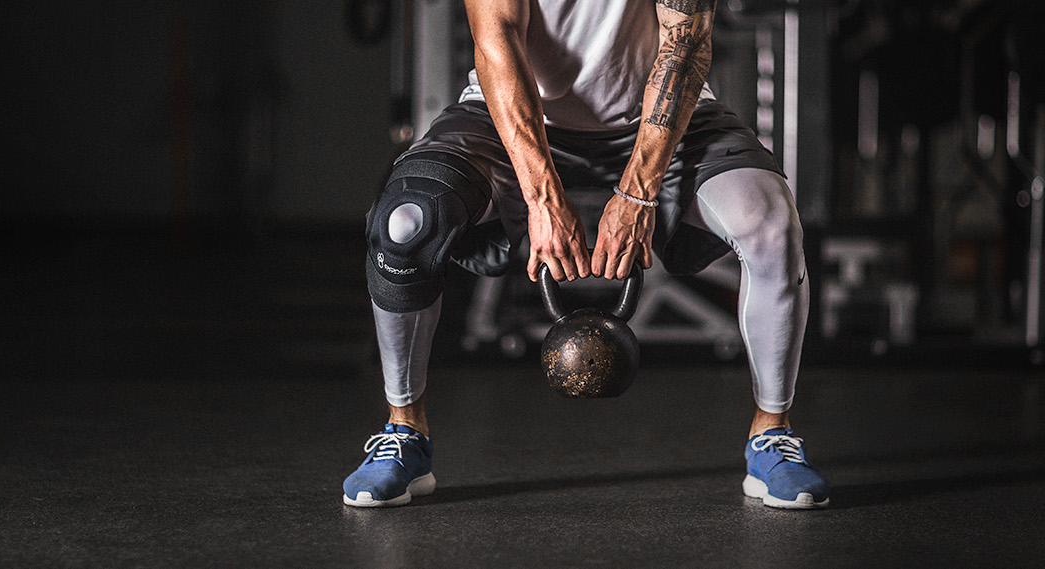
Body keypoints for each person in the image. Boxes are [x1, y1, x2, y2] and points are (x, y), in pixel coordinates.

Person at [345, 0, 830, 510]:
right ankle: (405, 431)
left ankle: (772, 433)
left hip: (660, 119)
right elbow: (497, 41)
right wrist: (541, 195)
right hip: (512, 117)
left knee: (771, 224)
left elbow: (684, 43)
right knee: (406, 222)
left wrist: (640, 191)